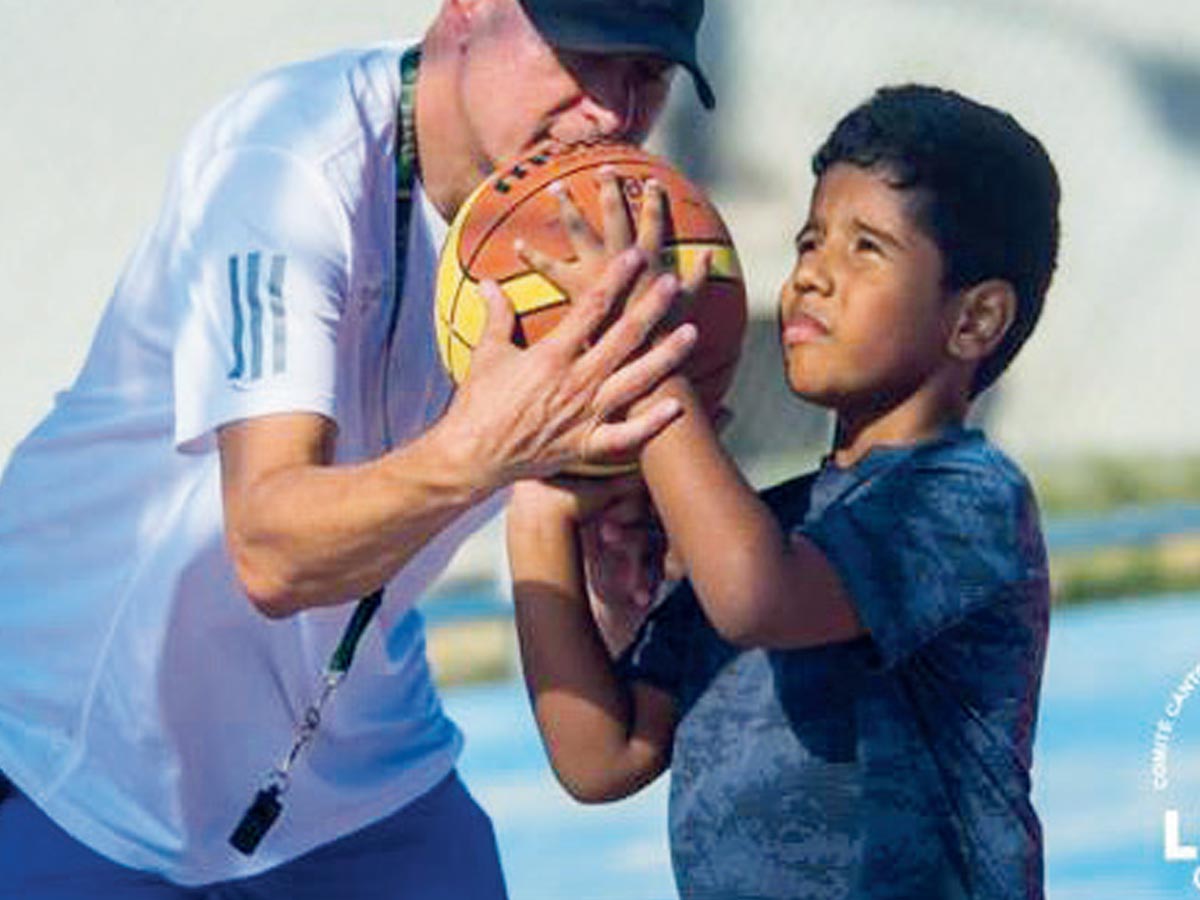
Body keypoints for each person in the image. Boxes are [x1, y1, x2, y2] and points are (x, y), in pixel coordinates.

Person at [0, 0, 717, 896]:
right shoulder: (288, 159)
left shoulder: (592, 223)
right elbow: (270, 552)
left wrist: (622, 596)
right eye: (586, 57)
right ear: (471, 10)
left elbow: (597, 716)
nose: (613, 112)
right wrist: (486, 448)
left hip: (354, 762)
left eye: (647, 77)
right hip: (84, 757)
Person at [507, 84, 1061, 898]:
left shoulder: (970, 501)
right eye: (809, 242)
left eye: (865, 248)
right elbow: (604, 757)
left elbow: (757, 599)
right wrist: (540, 513)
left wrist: (639, 350)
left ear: (974, 320)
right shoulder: (765, 526)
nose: (811, 278)